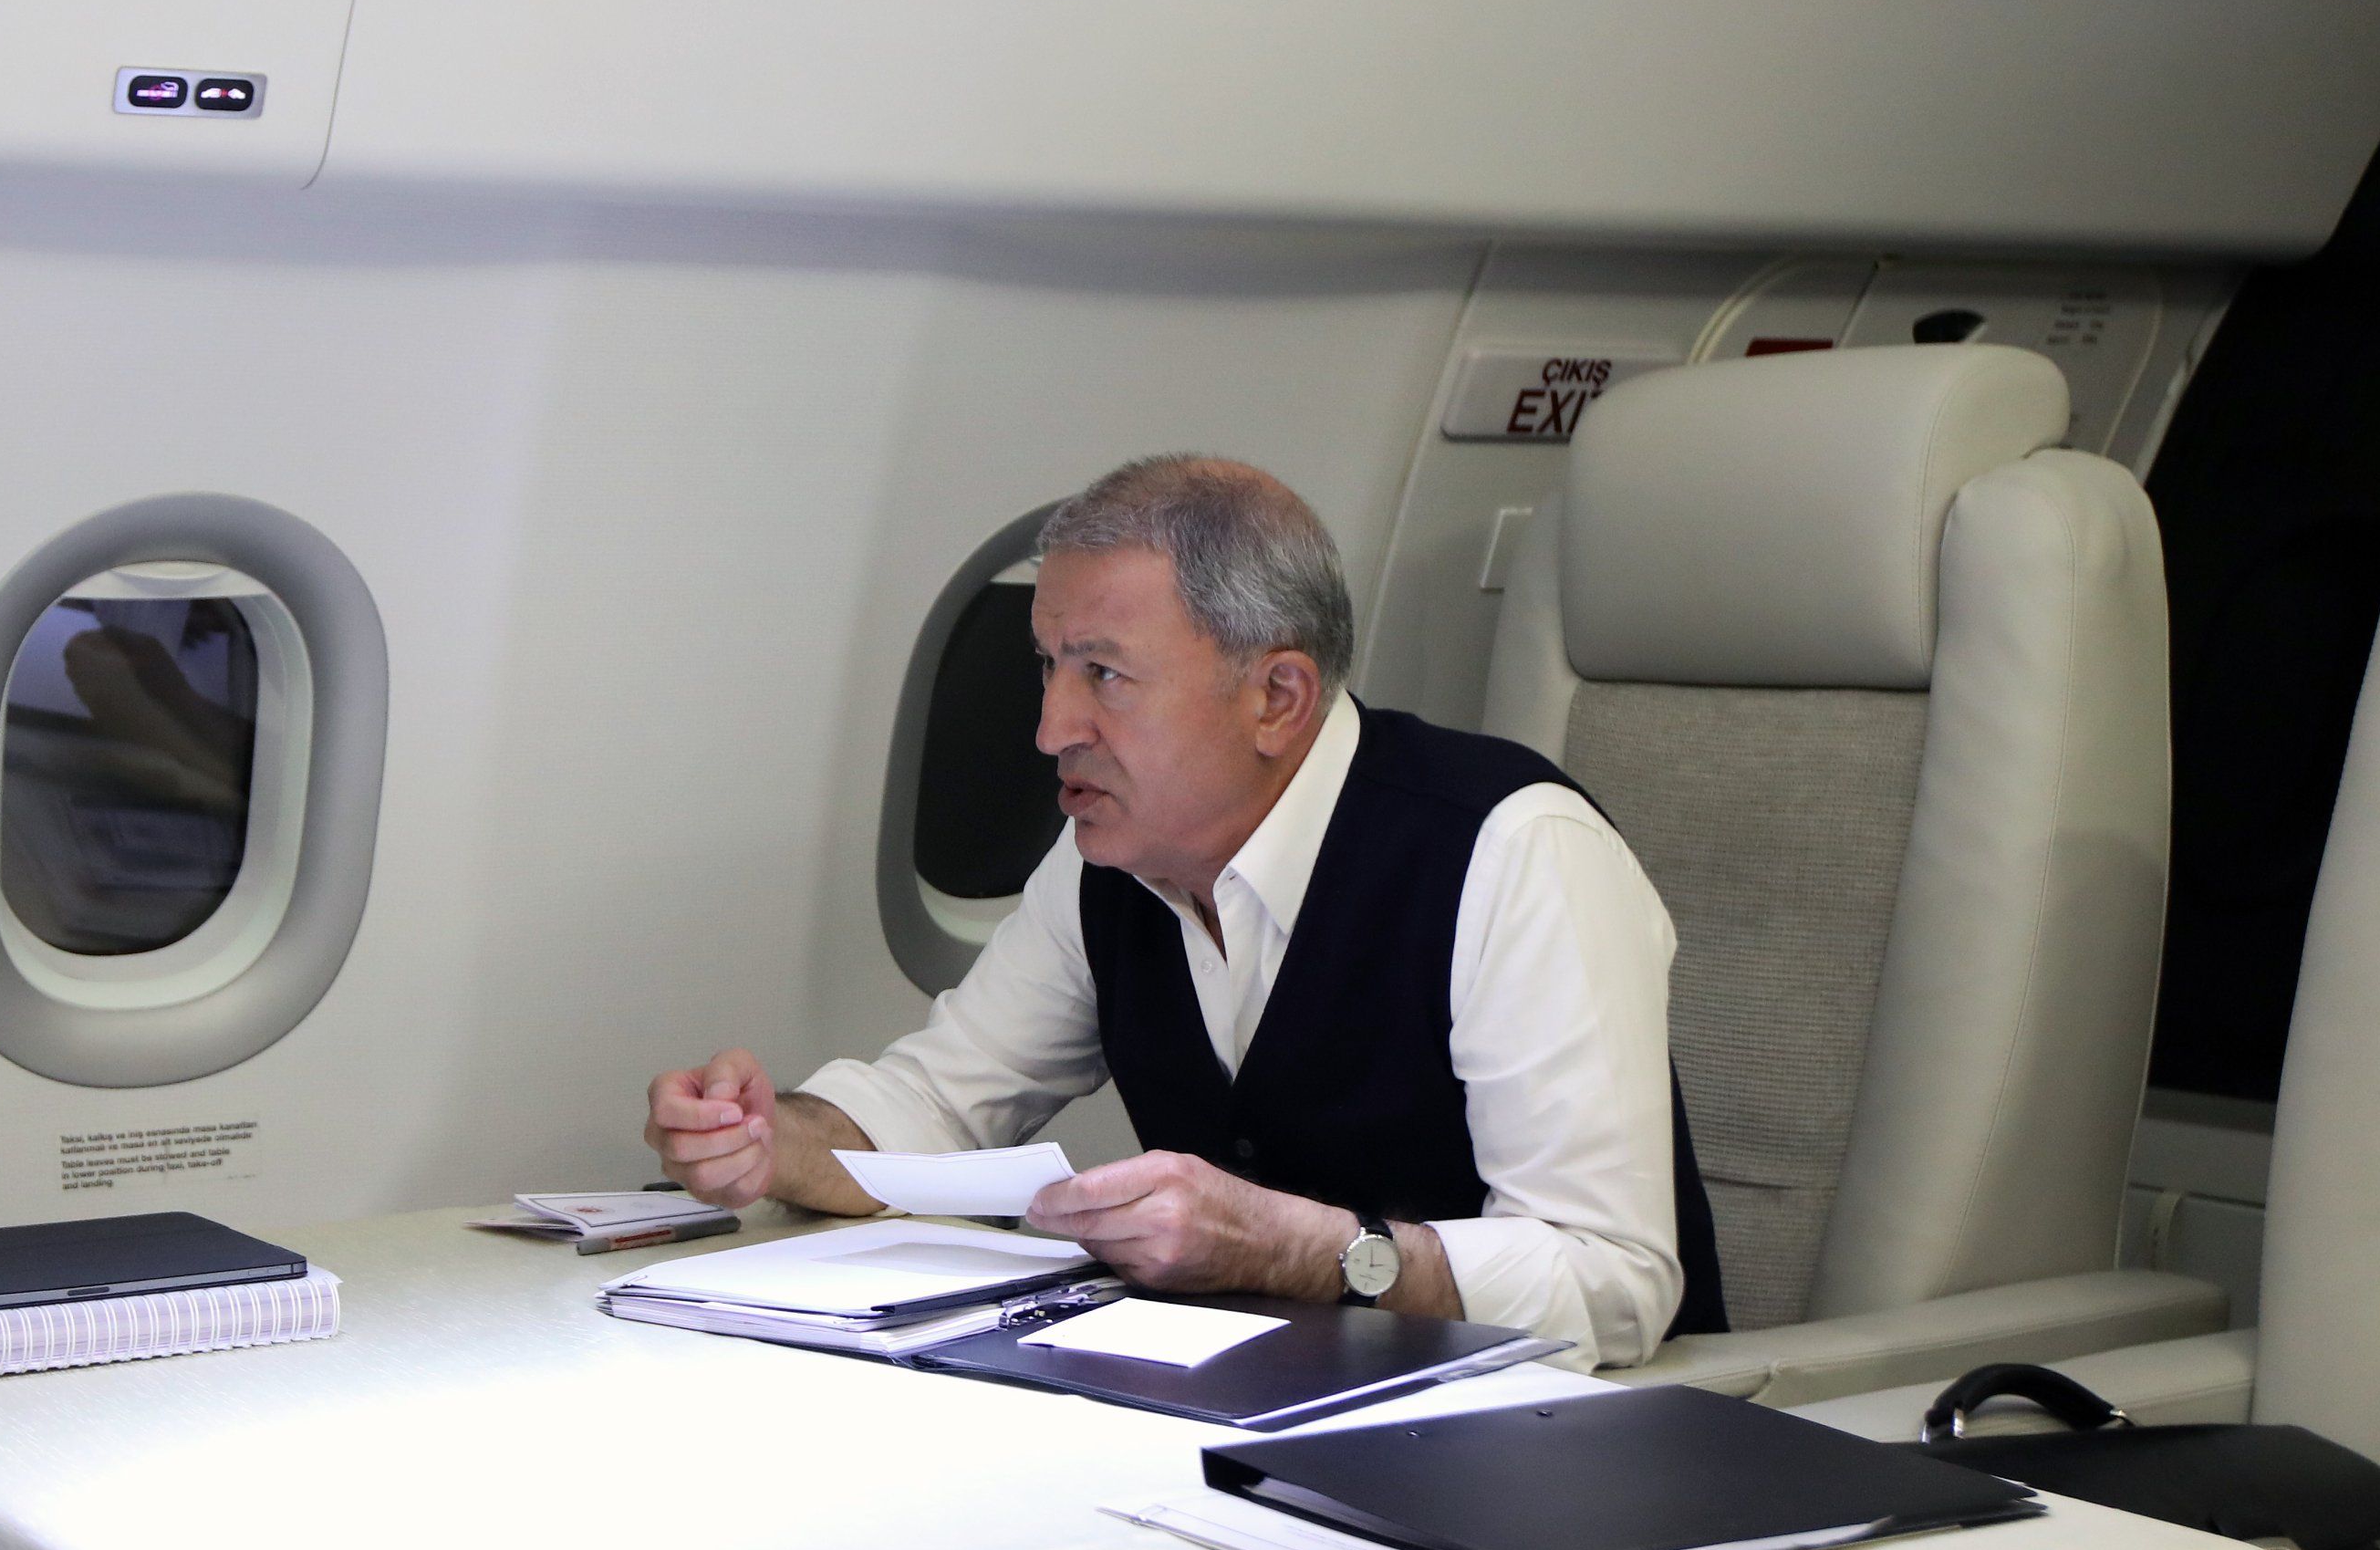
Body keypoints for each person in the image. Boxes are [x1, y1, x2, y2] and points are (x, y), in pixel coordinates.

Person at [646, 453, 1727, 1361]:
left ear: (1276, 698)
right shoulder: (1107, 862)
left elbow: (1612, 1279)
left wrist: (1308, 1250)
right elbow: (938, 1105)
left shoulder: (1513, 851)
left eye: (1104, 675)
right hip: (1250, 1412)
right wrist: (770, 1142)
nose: (1050, 728)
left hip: (1541, 1442)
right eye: (1047, 666)